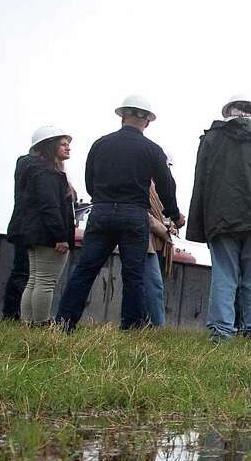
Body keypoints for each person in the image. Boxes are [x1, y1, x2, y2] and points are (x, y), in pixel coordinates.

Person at [54, 95, 183, 331]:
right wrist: (175, 215)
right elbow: (166, 184)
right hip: (134, 215)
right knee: (134, 275)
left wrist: (103, 199)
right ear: (147, 121)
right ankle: (131, 327)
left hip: (102, 211)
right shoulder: (152, 149)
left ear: (123, 116)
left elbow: (89, 181)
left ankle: (64, 322)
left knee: (85, 269)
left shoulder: (100, 144)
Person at [186, 93, 251, 342]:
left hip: (220, 219)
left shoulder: (211, 138)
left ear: (228, 110)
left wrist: (199, 224)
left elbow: (201, 182)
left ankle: (221, 332)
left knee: (224, 274)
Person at [5, 126, 76, 325]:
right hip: (47, 234)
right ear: (50, 145)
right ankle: (42, 323)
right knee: (46, 281)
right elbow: (50, 205)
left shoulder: (31, 168)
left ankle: (29, 322)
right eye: (63, 144)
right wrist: (60, 236)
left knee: (35, 279)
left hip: (33, 232)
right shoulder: (47, 173)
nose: (68, 147)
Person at [145, 176, 173, 328]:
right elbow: (145, 215)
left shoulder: (157, 186)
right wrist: (163, 230)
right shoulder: (144, 182)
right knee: (154, 284)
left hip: (157, 243)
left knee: (151, 285)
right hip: (147, 240)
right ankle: (157, 325)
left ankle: (149, 323)